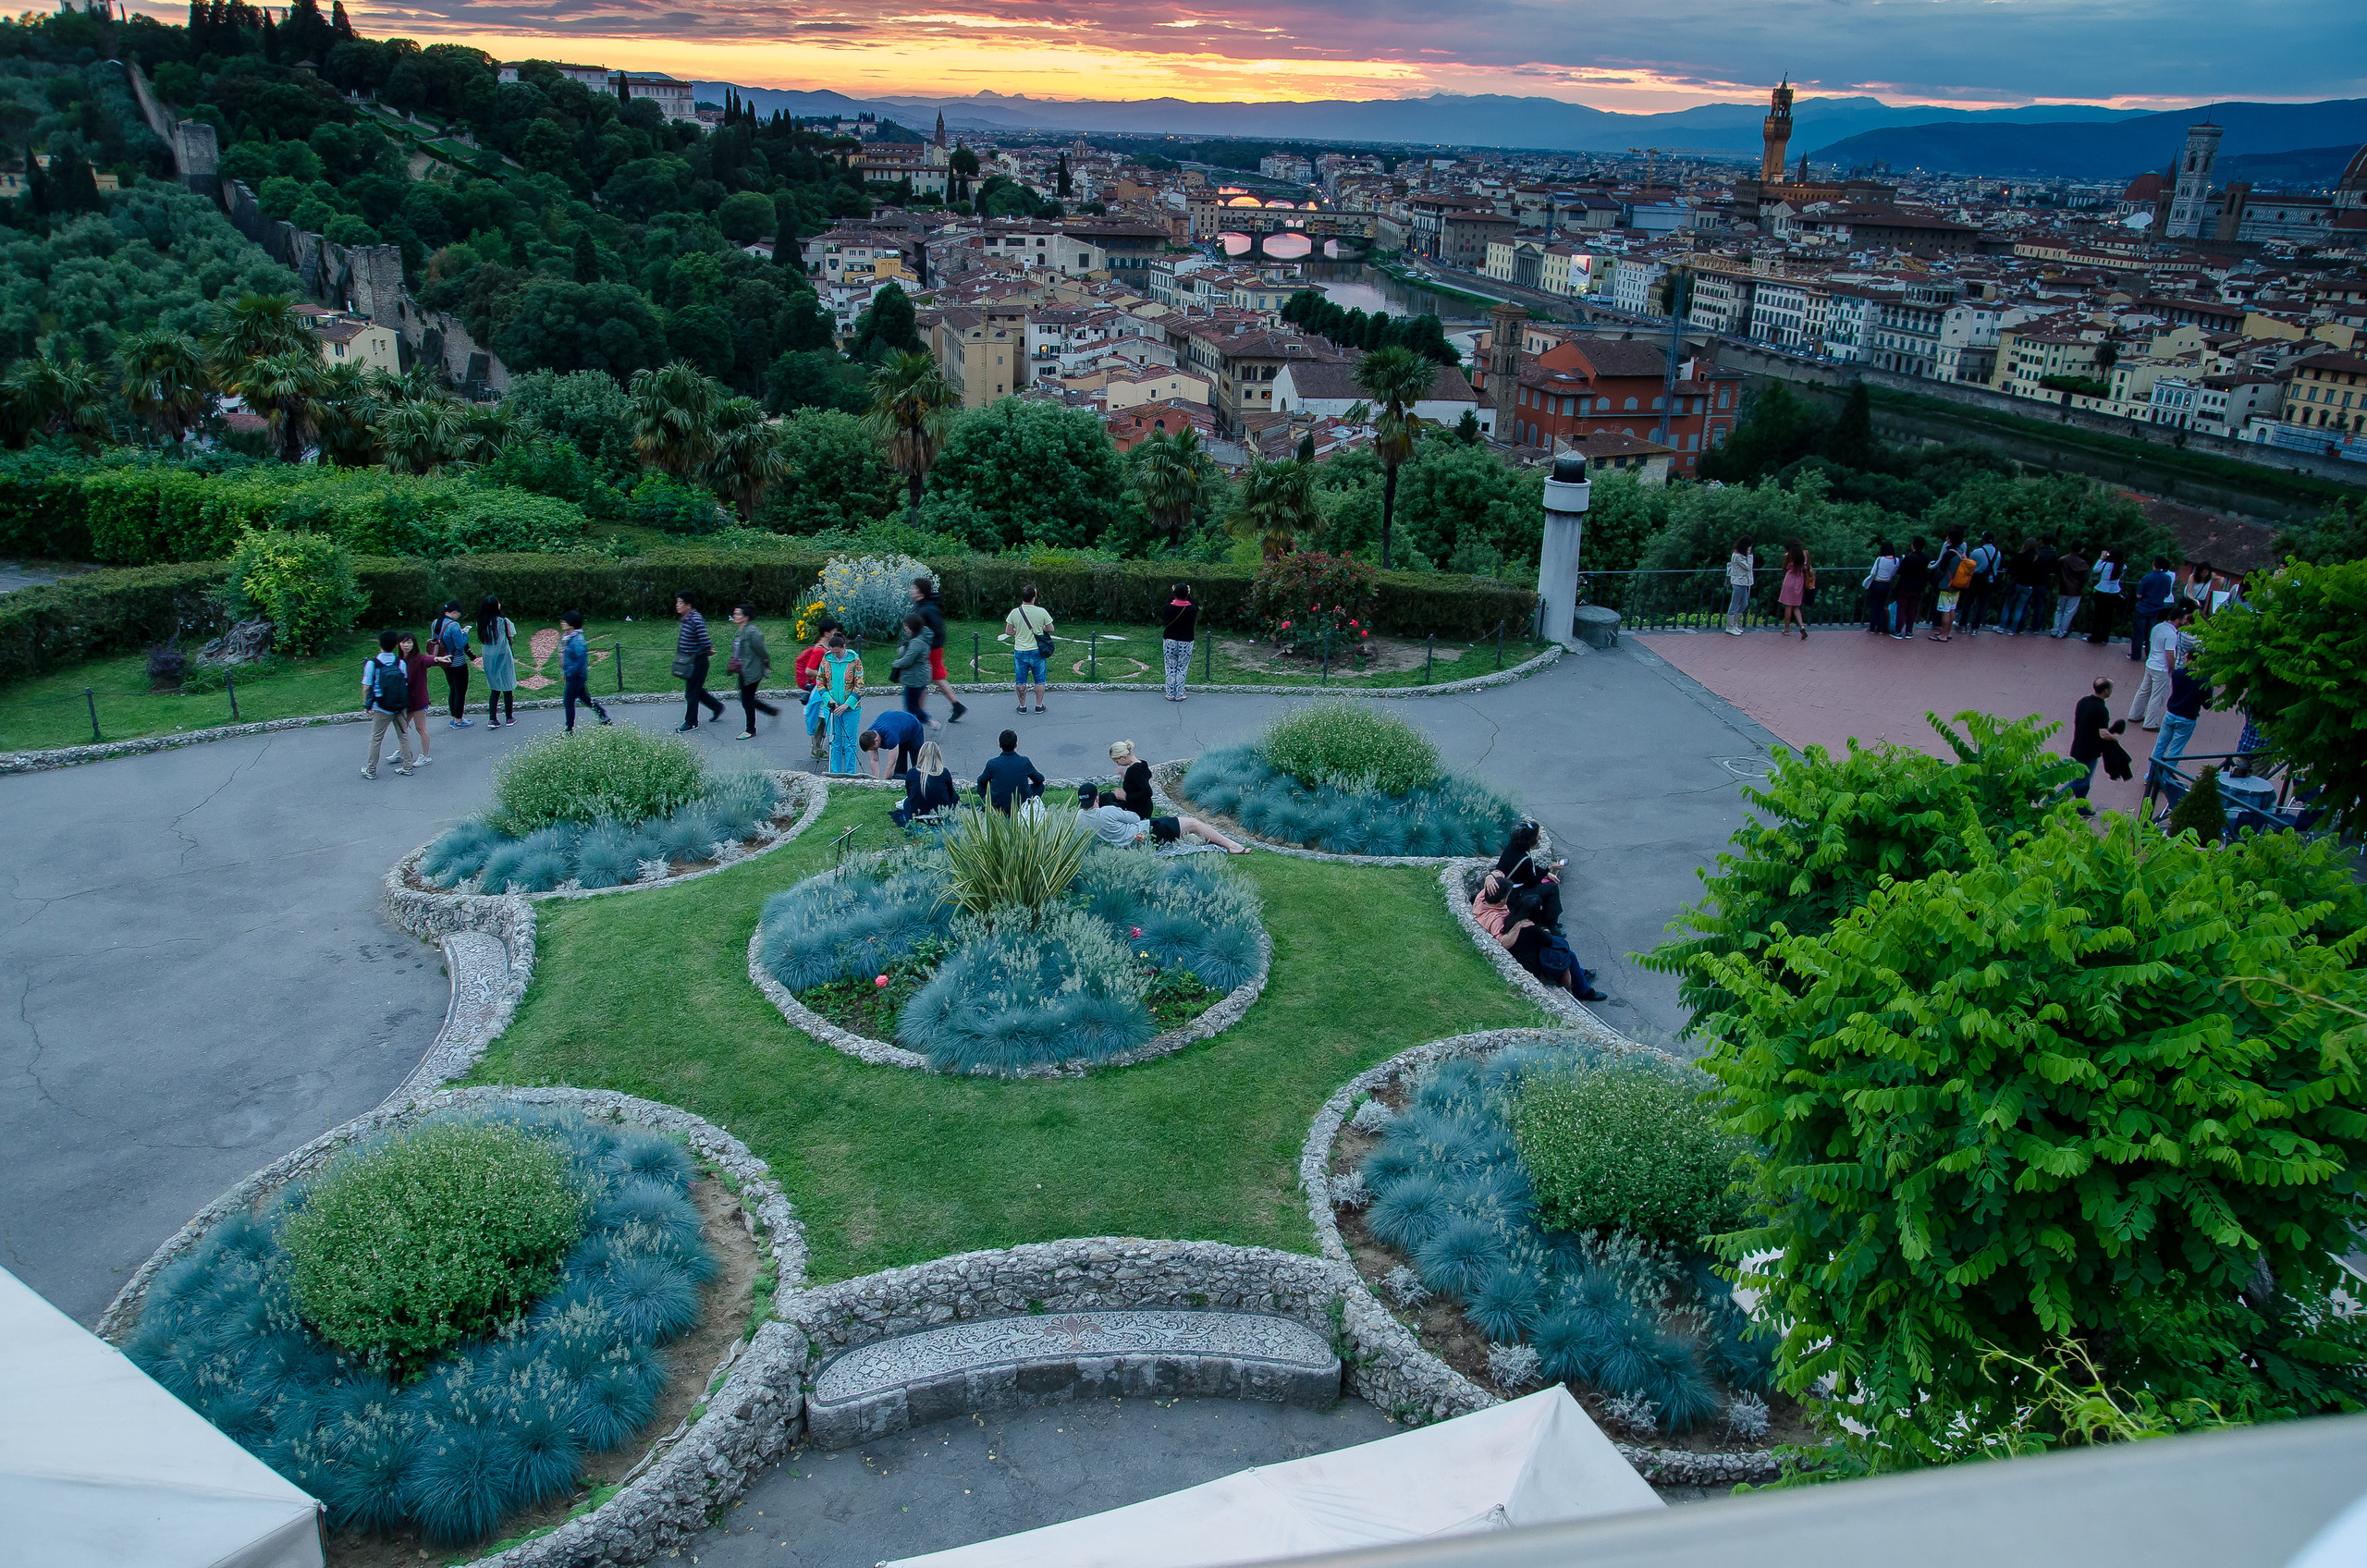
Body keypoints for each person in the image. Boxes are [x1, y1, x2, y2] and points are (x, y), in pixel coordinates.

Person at [1486, 883, 1604, 1002]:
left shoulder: (1511, 920)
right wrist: (1544, 930)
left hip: (1522, 956)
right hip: (1533, 964)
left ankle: (1580, 975)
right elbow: (1548, 940)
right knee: (1568, 955)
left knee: (1566, 952)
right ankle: (1583, 990)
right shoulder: (1532, 929)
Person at [1077, 795, 1248, 853]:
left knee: (1184, 828)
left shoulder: (1076, 819)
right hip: (1147, 832)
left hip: (1132, 841)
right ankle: (1232, 845)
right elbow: (1135, 818)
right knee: (1193, 824)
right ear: (1096, 799)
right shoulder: (1106, 812)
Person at [910, 574, 967, 725]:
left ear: (921, 592)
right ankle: (955, 705)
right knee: (934, 677)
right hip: (932, 647)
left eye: (914, 588)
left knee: (925, 678)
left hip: (930, 648)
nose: (911, 590)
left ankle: (919, 713)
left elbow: (935, 630)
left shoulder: (926, 609)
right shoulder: (925, 606)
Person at [361, 631, 417, 779]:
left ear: (380, 644)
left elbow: (367, 686)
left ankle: (371, 770)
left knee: (376, 738)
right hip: (399, 705)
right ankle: (407, 766)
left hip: (381, 706)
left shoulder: (373, 664)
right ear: (395, 645)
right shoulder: (400, 662)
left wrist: (367, 705)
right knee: (403, 736)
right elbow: (404, 683)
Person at [2067, 676, 2124, 816]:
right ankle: (2053, 800)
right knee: (2082, 781)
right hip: (2090, 750)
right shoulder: (2101, 710)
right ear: (2105, 691)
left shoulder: (2083, 701)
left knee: (2084, 781)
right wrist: (2115, 738)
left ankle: (2082, 807)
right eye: (2111, 688)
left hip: (2078, 745)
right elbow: (2103, 734)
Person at [2127, 603, 2189, 731]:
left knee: (2144, 691)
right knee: (2157, 695)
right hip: (2161, 668)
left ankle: (2135, 714)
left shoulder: (2158, 627)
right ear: (2178, 620)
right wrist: (2172, 670)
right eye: (2183, 620)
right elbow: (2170, 655)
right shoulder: (2172, 635)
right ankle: (2150, 723)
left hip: (2151, 663)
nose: (2184, 622)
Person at [1495, 821, 1565, 931]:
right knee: (1552, 888)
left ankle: (1547, 919)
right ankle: (1551, 923)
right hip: (1515, 895)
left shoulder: (1512, 847)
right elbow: (1532, 882)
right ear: (1531, 841)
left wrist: (1546, 873)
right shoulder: (1524, 860)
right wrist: (1549, 868)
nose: (1540, 838)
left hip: (1506, 890)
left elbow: (1529, 867)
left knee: (1548, 884)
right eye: (1538, 836)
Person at [674, 591, 726, 730]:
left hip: (697, 662)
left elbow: (704, 639)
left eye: (680, 603)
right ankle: (717, 707)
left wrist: (708, 649)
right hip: (688, 662)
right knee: (696, 690)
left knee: (691, 693)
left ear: (688, 605)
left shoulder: (695, 619)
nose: (677, 605)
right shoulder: (685, 618)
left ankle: (691, 722)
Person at [728, 604, 779, 741]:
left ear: (746, 617)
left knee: (746, 700)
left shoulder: (752, 632)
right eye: (735, 613)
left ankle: (750, 729)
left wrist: (766, 665)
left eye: (738, 614)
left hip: (752, 670)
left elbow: (762, 652)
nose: (735, 616)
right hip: (743, 669)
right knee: (746, 698)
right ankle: (771, 711)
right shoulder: (741, 630)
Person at [795, 617, 840, 762]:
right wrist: (827, 675)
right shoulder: (819, 651)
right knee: (820, 720)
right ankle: (817, 749)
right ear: (827, 633)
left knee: (824, 718)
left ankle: (820, 747)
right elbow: (809, 670)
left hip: (824, 689)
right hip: (819, 691)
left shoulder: (825, 648)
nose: (836, 632)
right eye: (834, 630)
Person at [818, 631, 864, 773]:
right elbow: (820, 682)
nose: (835, 655)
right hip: (831, 708)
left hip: (851, 709)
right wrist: (828, 699)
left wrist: (846, 705)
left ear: (844, 647)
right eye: (833, 652)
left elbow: (860, 686)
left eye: (838, 652)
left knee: (850, 742)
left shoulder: (854, 660)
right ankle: (835, 773)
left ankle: (850, 774)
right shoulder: (826, 659)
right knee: (835, 742)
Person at [1005, 584, 1054, 713]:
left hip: (1020, 650)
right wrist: (1040, 629)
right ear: (1034, 597)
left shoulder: (1014, 613)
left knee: (1020, 680)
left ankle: (1022, 707)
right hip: (1038, 650)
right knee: (1040, 680)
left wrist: (1018, 631)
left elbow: (1009, 631)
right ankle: (1039, 705)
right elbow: (1050, 628)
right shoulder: (1041, 612)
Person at [560, 610, 612, 732]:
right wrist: (564, 672)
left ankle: (569, 730)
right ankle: (604, 716)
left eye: (564, 621)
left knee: (568, 702)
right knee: (584, 698)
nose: (562, 623)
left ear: (571, 624)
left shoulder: (577, 640)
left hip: (576, 676)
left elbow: (581, 660)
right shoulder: (569, 637)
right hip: (574, 675)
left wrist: (569, 672)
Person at [391, 630, 435, 766]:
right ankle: (401, 752)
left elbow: (430, 659)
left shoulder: (419, 658)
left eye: (409, 642)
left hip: (419, 701)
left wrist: (439, 659)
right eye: (403, 642)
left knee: (420, 728)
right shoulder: (399, 661)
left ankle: (426, 756)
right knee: (402, 728)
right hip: (407, 701)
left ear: (413, 644)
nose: (406, 645)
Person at [894, 741, 961, 827]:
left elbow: (910, 794)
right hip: (941, 816)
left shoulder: (912, 772)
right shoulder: (944, 772)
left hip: (917, 816)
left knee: (907, 801)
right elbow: (951, 794)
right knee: (955, 797)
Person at [976, 729, 1044, 812]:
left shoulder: (992, 764)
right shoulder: (1024, 762)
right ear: (1016, 745)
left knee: (980, 787)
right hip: (1021, 804)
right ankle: (1028, 805)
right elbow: (1040, 779)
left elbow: (980, 781)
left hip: (998, 806)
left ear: (1000, 745)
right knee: (1040, 786)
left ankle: (988, 804)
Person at [430, 599, 473, 727]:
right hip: (457, 661)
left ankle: (454, 716)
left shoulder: (435, 623)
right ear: (454, 612)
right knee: (460, 691)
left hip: (444, 660)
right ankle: (458, 720)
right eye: (458, 614)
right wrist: (465, 634)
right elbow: (460, 644)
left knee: (453, 689)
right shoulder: (454, 626)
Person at [476, 595, 518, 728]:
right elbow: (510, 637)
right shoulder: (504, 621)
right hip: (504, 655)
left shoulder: (481, 622)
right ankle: (509, 717)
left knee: (494, 688)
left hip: (488, 656)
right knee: (507, 687)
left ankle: (492, 718)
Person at [891, 611, 934, 725]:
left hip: (915, 677)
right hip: (919, 675)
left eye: (905, 626)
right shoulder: (922, 637)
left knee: (911, 706)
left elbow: (908, 660)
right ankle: (917, 723)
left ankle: (931, 722)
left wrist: (896, 663)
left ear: (909, 627)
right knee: (914, 704)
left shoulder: (917, 642)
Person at [858, 706, 926, 779]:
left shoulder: (890, 736)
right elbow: (874, 760)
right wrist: (876, 780)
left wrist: (884, 782)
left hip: (913, 728)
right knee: (900, 765)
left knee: (917, 761)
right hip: (898, 729)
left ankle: (919, 781)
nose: (874, 750)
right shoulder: (869, 735)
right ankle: (900, 779)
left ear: (876, 740)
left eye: (874, 748)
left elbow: (891, 763)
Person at [2132, 556, 2177, 662]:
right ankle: (2149, 655)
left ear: (2154, 564)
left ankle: (2136, 655)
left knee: (2139, 632)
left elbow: (2139, 595)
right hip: (2156, 609)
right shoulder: (2167, 578)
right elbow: (2167, 594)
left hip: (2143, 608)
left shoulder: (2147, 578)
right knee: (2150, 634)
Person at [1928, 528, 1968, 642]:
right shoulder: (1961, 552)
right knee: (1952, 609)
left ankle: (1943, 635)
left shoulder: (1949, 554)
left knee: (1945, 610)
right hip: (1957, 584)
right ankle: (1948, 632)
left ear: (1950, 539)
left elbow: (1941, 570)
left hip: (1947, 585)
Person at [1161, 583, 1198, 702]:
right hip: (1186, 641)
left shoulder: (1167, 607)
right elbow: (1192, 603)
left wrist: (1174, 592)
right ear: (1187, 594)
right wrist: (1188, 593)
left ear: (1174, 594)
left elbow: (1169, 602)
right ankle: (1180, 693)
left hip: (1169, 640)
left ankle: (1170, 693)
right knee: (1182, 667)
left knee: (1170, 666)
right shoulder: (1192, 609)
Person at [2001, 537, 2043, 636]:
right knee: (2020, 608)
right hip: (2028, 586)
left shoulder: (2018, 555)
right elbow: (2039, 574)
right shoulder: (2037, 558)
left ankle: (2002, 625)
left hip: (2016, 583)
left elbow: (2010, 569)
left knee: (2008, 605)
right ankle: (2013, 628)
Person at [1105, 740, 1156, 820]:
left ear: (1123, 757)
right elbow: (1139, 780)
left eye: (1117, 761)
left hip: (1138, 809)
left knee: (1106, 803)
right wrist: (1125, 777)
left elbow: (1147, 792)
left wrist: (1126, 797)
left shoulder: (1134, 770)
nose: (1117, 764)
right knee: (1106, 796)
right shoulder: (1142, 763)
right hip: (1145, 805)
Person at [1891, 535, 1930, 641]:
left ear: (1913, 546)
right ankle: (1909, 631)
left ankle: (1898, 631)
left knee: (1902, 608)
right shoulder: (1926, 557)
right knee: (1912, 609)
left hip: (1905, 586)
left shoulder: (1909, 558)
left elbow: (1900, 571)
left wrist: (1904, 560)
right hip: (1918, 587)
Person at [2086, 548, 2125, 646]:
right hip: (2114, 592)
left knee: (2098, 615)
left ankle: (2094, 636)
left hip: (2102, 591)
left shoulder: (2106, 564)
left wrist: (2102, 558)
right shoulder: (2123, 567)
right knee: (2109, 616)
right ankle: (2104, 638)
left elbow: (2096, 570)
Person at [1963, 532, 2000, 634]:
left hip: (1976, 579)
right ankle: (1975, 628)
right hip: (1989, 580)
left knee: (1968, 602)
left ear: (1983, 539)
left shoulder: (1977, 551)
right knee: (1982, 605)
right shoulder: (1998, 553)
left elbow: (1969, 565)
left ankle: (1962, 624)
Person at [2051, 541, 2090, 638]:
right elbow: (2085, 578)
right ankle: (2062, 632)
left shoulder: (2063, 560)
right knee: (2069, 612)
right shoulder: (2082, 563)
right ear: (2080, 550)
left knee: (2059, 610)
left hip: (2063, 588)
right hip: (2075, 591)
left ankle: (2055, 630)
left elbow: (2057, 572)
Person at [1863, 539, 1898, 635]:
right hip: (1887, 584)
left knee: (1874, 605)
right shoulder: (1896, 560)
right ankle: (1880, 628)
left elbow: (1873, 572)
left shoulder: (1880, 559)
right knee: (1881, 606)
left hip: (1877, 583)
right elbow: (1894, 573)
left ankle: (1872, 627)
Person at [1777, 538, 1810, 639]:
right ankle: (1802, 625)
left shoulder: (1788, 556)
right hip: (1800, 579)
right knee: (1796, 606)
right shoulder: (1806, 554)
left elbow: (1784, 567)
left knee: (1788, 605)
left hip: (1790, 579)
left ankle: (1787, 630)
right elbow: (1807, 566)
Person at [1723, 537, 1755, 635]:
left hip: (1744, 582)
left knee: (1744, 604)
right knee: (1734, 604)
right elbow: (1748, 567)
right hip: (1738, 582)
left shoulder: (1741, 555)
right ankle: (1729, 626)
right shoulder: (1738, 556)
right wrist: (1749, 556)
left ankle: (1734, 624)